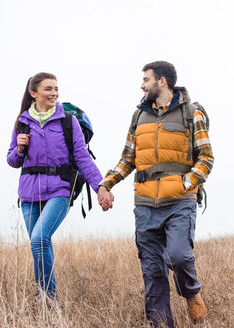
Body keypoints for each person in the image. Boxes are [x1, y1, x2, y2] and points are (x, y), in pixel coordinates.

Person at [97, 61, 214, 327]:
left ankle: (191, 292)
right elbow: (127, 159)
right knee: (152, 271)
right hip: (146, 205)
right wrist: (106, 184)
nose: (142, 85)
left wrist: (186, 184)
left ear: (162, 81)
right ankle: (161, 324)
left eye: (146, 80)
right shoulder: (139, 116)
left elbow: (206, 158)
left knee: (179, 256)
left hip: (179, 202)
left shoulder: (192, 113)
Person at [7, 72, 104, 300]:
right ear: (34, 93)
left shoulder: (67, 120)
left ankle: (47, 296)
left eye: (56, 89)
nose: (54, 93)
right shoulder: (22, 122)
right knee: (40, 245)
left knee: (39, 238)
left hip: (60, 189)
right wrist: (19, 149)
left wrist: (101, 187)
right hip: (29, 193)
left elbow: (82, 158)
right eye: (48, 89)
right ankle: (48, 297)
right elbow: (12, 161)